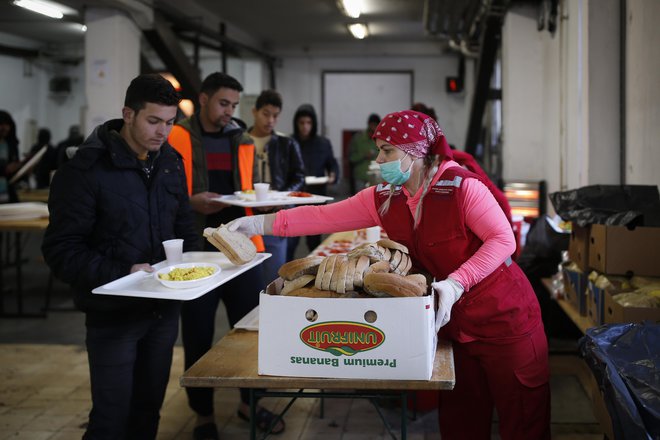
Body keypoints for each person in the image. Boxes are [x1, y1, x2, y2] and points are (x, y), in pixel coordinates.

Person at [227, 110, 551, 440]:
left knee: (523, 418)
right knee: (461, 418)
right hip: (452, 322)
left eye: (387, 150)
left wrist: (457, 282)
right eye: (379, 150)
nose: (379, 159)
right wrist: (257, 223)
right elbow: (322, 217)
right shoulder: (385, 197)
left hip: (505, 318)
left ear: (414, 152)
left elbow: (503, 240)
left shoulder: (462, 188)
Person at [41, 74, 199, 439]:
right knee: (111, 420)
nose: (163, 132)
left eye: (170, 123)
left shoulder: (170, 162)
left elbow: (183, 224)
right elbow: (61, 250)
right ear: (128, 114)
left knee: (147, 413)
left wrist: (197, 264)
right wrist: (122, 271)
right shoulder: (83, 171)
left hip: (162, 311)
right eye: (153, 121)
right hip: (114, 314)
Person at [168, 72, 285, 439]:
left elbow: (250, 191)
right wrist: (190, 202)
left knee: (251, 330)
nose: (229, 111)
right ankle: (203, 415)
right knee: (199, 334)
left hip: (241, 249)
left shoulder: (243, 139)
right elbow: (165, 194)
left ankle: (251, 402)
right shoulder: (176, 137)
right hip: (196, 250)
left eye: (234, 105)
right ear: (203, 99)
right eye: (223, 103)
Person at [247, 89, 305, 283]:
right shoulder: (240, 142)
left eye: (275, 116)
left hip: (276, 215)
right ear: (254, 112)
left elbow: (299, 176)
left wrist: (280, 198)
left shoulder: (286, 144)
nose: (270, 120)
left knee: (274, 275)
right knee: (246, 277)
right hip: (245, 214)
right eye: (265, 114)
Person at [286, 103, 339, 260]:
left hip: (316, 196)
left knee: (314, 241)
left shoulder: (323, 143)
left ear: (313, 124)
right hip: (293, 197)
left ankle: (315, 275)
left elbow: (332, 164)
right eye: (301, 123)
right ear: (296, 123)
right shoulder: (289, 142)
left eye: (308, 123)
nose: (305, 127)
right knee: (290, 242)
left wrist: (333, 175)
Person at [348, 113, 380, 193]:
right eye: (372, 124)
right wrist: (364, 155)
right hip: (361, 176)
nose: (374, 127)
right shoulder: (358, 138)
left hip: (376, 177)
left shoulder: (380, 139)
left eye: (376, 125)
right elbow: (351, 158)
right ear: (369, 124)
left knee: (374, 202)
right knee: (359, 201)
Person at [0, 110, 20, 203]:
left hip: (9, 194)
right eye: (1, 124)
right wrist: (5, 169)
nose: (5, 128)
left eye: (7, 125)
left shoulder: (12, 145)